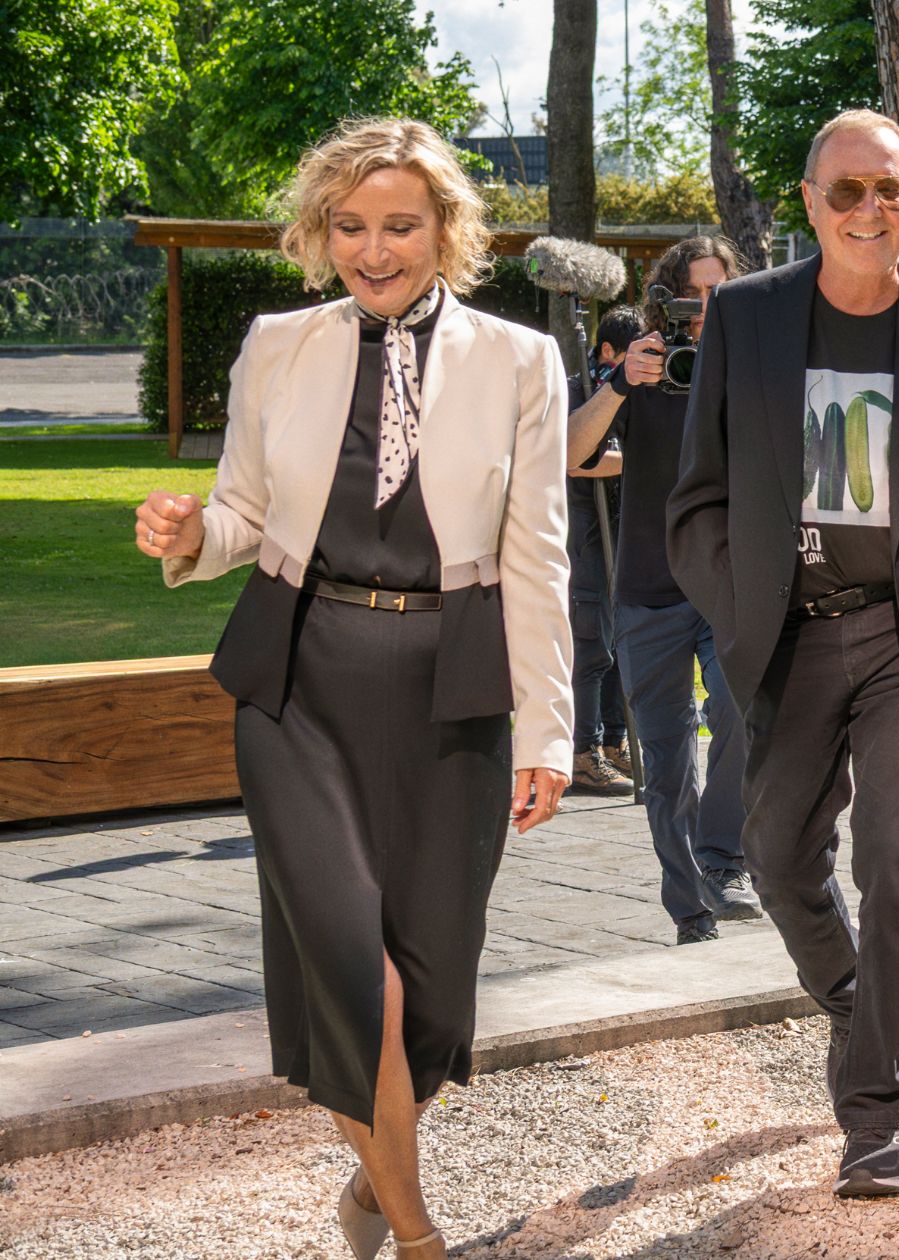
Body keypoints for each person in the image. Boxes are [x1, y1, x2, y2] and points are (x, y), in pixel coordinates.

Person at [132, 116, 571, 1259]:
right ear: (322, 233)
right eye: (352, 226)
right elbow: (241, 514)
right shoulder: (277, 342)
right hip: (300, 682)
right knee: (346, 967)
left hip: (452, 688)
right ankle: (418, 1233)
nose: (375, 251)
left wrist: (551, 733)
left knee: (427, 998)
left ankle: (371, 1189)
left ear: (446, 232)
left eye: (400, 227)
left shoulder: (521, 361)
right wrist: (190, 531)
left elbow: (537, 555)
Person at [667, 108, 899, 1196]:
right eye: (848, 192)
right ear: (810, 204)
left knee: (895, 853)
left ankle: (877, 1109)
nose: (871, 210)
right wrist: (741, 606)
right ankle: (855, 1012)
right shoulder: (743, 318)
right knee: (777, 860)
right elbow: (697, 502)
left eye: (891, 191)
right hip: (785, 637)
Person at [566, 241, 765, 945]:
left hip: (728, 583)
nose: (707, 310)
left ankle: (722, 860)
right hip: (647, 589)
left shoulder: (755, 362)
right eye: (694, 297)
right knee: (666, 761)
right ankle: (690, 909)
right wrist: (622, 382)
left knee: (742, 712)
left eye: (720, 294)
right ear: (668, 300)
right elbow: (571, 452)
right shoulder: (644, 368)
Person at [566, 308, 636, 796]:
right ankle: (581, 752)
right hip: (580, 530)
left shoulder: (635, 389)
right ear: (607, 351)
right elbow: (575, 458)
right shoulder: (573, 389)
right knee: (590, 646)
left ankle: (614, 742)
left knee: (618, 646)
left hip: (619, 527)